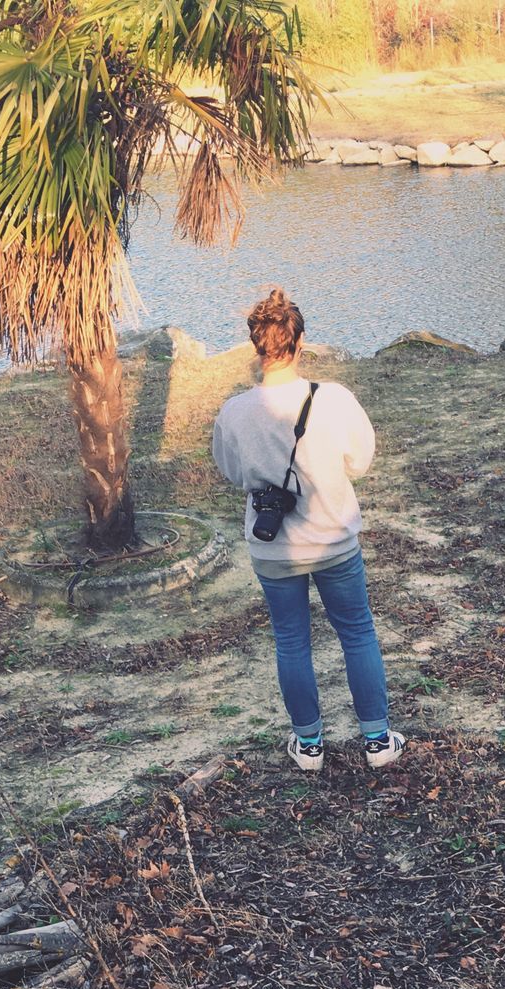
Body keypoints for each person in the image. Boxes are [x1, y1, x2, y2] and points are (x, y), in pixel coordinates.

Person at [212, 287, 405, 772]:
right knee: (357, 632)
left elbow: (233, 473)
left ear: (257, 348)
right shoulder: (334, 399)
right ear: (299, 344)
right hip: (335, 540)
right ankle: (378, 741)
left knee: (291, 640)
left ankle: (309, 746)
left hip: (274, 548)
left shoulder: (235, 412)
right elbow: (359, 462)